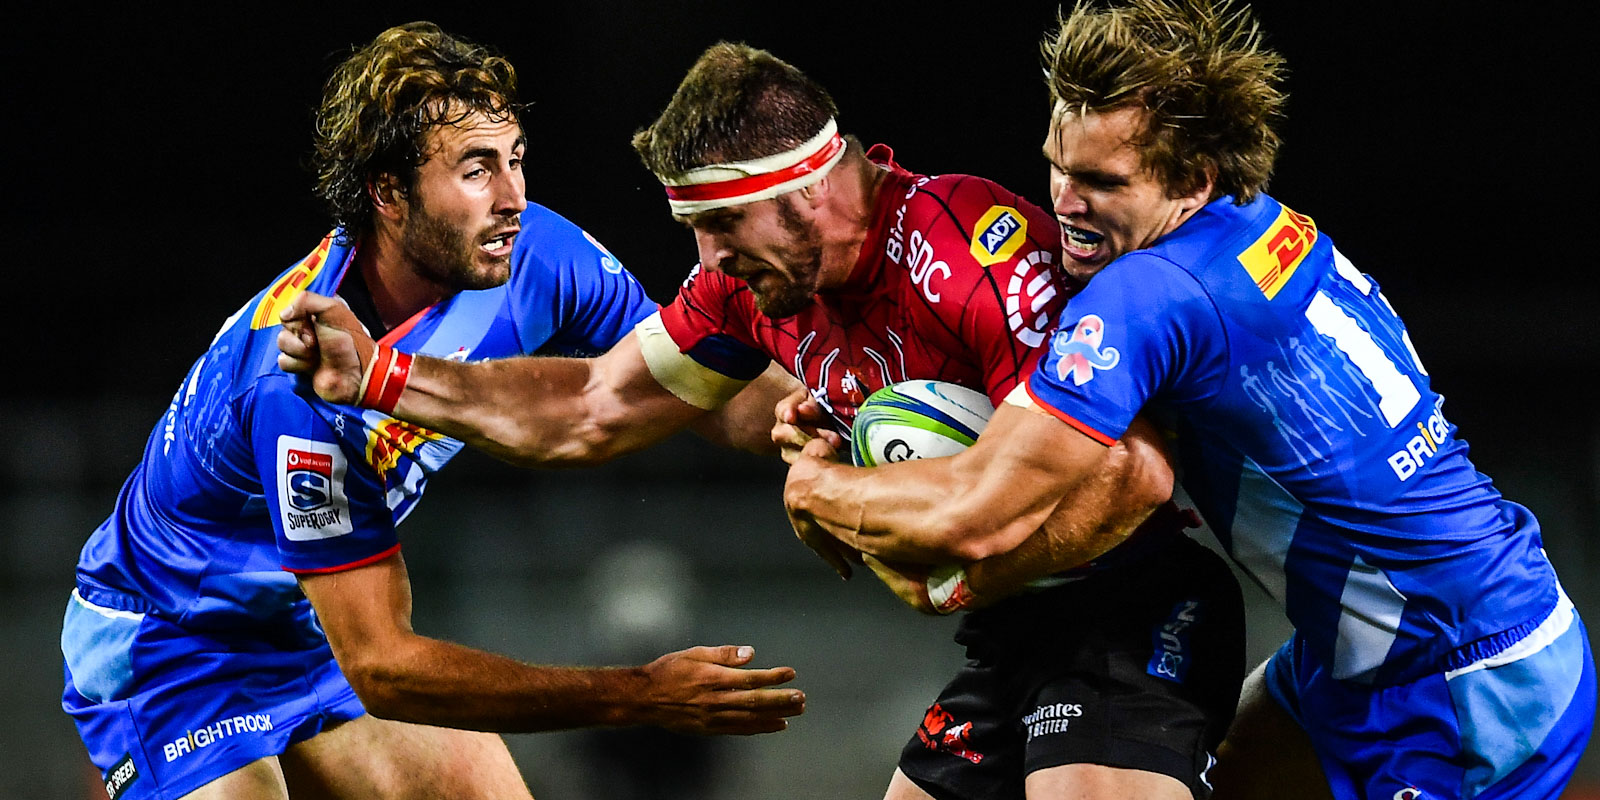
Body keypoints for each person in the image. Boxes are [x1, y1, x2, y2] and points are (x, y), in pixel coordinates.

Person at [279, 41, 1244, 800]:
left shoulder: (970, 255)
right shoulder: (752, 295)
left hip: (1134, 613)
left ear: (807, 190)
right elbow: (587, 405)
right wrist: (381, 375)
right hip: (1015, 641)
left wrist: (921, 548)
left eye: (721, 226)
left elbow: (1132, 477)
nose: (706, 256)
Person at [780, 1, 1597, 798]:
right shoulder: (1263, 226)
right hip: (1370, 653)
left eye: (1100, 180)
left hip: (1462, 673)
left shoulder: (1146, 294)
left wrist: (823, 489)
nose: (1063, 201)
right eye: (1057, 165)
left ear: (1193, 179)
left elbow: (981, 508)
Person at [61, 23, 805, 800]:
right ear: (389, 192)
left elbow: (692, 385)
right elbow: (382, 664)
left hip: (306, 628)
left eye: (515, 158)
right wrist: (637, 695)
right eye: (476, 169)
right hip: (173, 649)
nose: (513, 196)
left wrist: (830, 427)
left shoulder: (536, 254)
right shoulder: (297, 379)